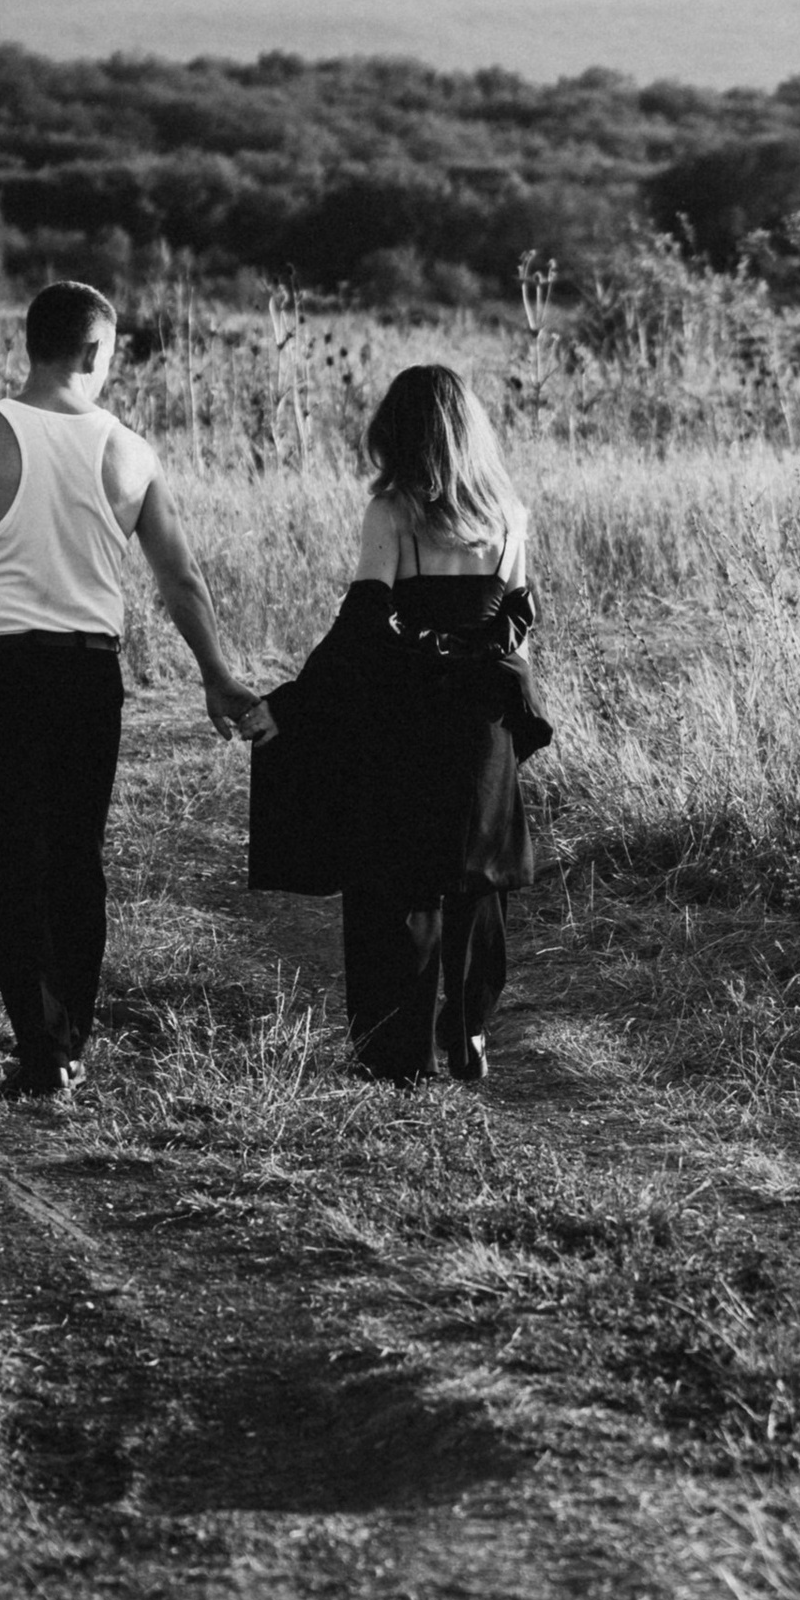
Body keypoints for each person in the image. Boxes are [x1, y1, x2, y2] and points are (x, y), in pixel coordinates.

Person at [0, 278, 263, 1096]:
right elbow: (181, 578)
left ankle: (42, 1046)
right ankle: (68, 1042)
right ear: (96, 350)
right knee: (73, 857)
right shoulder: (130, 452)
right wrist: (217, 675)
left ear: (31, 344)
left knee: (5, 861)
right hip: (87, 675)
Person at [248, 364, 544, 1082]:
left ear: (398, 435)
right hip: (483, 722)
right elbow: (516, 628)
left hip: (408, 720)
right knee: (477, 876)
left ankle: (397, 1051)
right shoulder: (510, 512)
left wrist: (288, 705)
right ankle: (469, 1029)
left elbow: (363, 629)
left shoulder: (392, 513)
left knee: (396, 883)